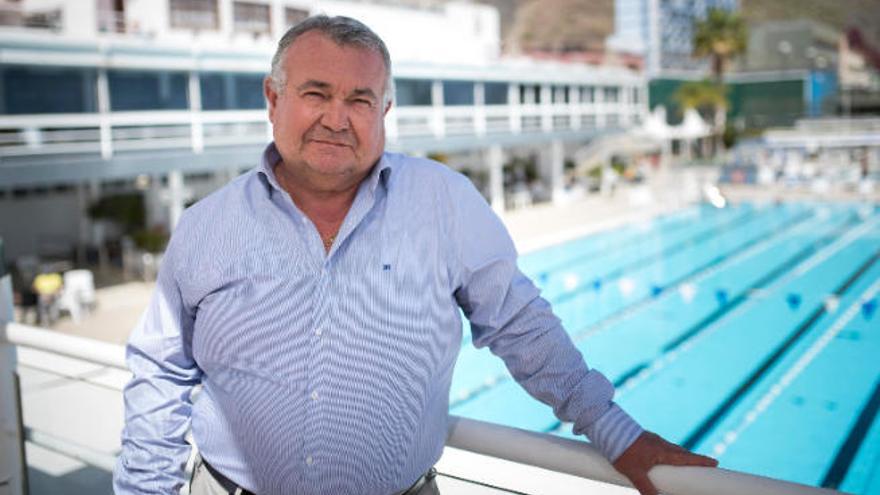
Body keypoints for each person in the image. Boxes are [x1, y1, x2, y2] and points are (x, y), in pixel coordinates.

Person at [114, 15, 717, 495]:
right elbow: (159, 369)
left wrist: (615, 432)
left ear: (385, 113)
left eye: (360, 99)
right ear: (273, 98)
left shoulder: (443, 203)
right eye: (315, 93)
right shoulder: (206, 226)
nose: (336, 118)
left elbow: (519, 324)